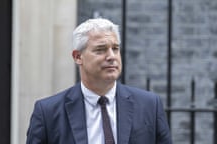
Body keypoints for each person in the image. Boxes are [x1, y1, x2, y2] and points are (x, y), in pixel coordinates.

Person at [26, 18, 172, 144]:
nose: (111, 56)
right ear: (78, 57)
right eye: (101, 50)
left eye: (115, 48)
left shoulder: (149, 105)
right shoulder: (48, 112)